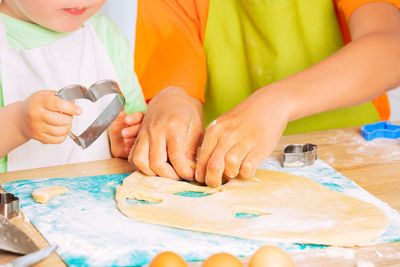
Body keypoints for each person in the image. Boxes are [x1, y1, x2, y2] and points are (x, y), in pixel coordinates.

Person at [131, 0, 400, 187]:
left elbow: (391, 51)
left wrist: (278, 102)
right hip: (227, 172)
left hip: (355, 164)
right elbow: (176, 85)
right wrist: (172, 103)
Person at [0, 0, 146, 172]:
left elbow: (138, 122)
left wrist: (126, 139)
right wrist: (17, 124)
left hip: (97, 195)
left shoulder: (106, 34)